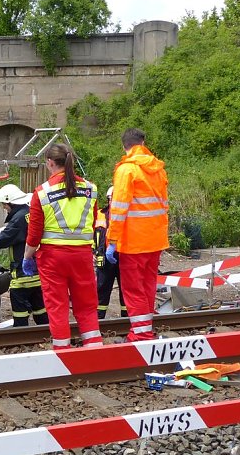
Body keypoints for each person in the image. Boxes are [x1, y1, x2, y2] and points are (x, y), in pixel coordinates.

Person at [23, 143, 101, 350]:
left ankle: (62, 351)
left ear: (50, 163)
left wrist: (27, 257)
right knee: (87, 305)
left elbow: (34, 234)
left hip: (52, 258)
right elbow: (93, 222)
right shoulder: (90, 189)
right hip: (83, 255)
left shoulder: (42, 192)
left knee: (57, 306)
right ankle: (94, 349)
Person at [106, 128, 169, 341]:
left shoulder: (127, 170)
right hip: (155, 240)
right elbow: (163, 205)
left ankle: (141, 335)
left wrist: (112, 240)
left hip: (133, 242)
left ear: (124, 145)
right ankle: (145, 329)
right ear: (143, 143)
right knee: (148, 286)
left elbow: (119, 208)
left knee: (133, 289)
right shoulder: (158, 169)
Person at [0, 184, 48, 327]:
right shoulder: (30, 212)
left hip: (22, 277)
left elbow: (1, 241)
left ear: (10, 202)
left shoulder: (18, 218)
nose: (4, 208)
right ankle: (46, 334)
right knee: (41, 312)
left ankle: (22, 336)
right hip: (37, 274)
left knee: (20, 316)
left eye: (4, 205)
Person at [94, 186, 127, 320]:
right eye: (111, 199)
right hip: (104, 259)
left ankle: (126, 320)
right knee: (101, 290)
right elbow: (92, 235)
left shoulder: (127, 215)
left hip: (123, 257)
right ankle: (98, 320)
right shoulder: (99, 214)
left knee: (126, 291)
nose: (113, 201)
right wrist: (93, 252)